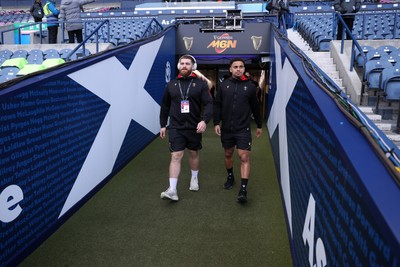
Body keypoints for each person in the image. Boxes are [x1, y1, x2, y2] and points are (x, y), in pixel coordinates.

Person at [159, 55, 213, 201]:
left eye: (187, 64)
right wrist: (163, 124)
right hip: (176, 127)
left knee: (193, 153)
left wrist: (204, 121)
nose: (184, 66)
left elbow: (209, 103)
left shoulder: (200, 84)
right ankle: (172, 190)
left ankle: (194, 178)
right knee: (176, 156)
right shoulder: (171, 85)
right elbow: (165, 106)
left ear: (193, 66)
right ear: (178, 66)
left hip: (194, 126)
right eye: (182, 63)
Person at [213, 58, 262, 203]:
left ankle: (243, 189)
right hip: (227, 128)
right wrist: (216, 122)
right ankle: (230, 177)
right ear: (230, 69)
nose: (238, 69)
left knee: (244, 156)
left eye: (241, 67)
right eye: (235, 67)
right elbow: (217, 105)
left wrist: (259, 125)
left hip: (243, 128)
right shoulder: (223, 86)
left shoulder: (250, 86)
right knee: (228, 154)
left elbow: (255, 107)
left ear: (244, 69)